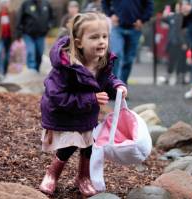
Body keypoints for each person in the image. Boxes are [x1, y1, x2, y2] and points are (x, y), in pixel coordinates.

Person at [39, 12, 127, 196]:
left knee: (89, 144)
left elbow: (108, 78)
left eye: (104, 36)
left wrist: (117, 85)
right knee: (71, 142)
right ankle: (53, 173)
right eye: (94, 37)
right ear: (79, 42)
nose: (102, 41)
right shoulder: (66, 67)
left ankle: (83, 176)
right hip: (62, 111)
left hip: (86, 112)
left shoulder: (101, 61)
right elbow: (57, 96)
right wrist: (92, 99)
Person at [102, 0, 154, 85]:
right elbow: (104, 2)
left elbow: (149, 5)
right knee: (116, 54)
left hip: (135, 28)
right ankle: (114, 86)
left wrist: (142, 19)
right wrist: (111, 14)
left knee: (129, 60)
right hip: (118, 27)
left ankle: (121, 87)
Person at [15, 0, 53, 72]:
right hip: (28, 34)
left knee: (39, 52)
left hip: (41, 34)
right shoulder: (26, 4)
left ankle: (36, 68)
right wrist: (18, 32)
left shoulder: (46, 4)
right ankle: (31, 69)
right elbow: (19, 18)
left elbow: (51, 17)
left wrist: (49, 26)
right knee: (31, 51)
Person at [161, 3, 188, 85]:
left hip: (180, 43)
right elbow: (164, 19)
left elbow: (180, 31)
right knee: (171, 61)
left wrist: (183, 42)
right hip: (172, 43)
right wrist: (165, 14)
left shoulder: (183, 17)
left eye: (179, 7)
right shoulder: (173, 16)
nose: (177, 9)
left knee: (181, 61)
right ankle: (168, 78)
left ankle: (180, 79)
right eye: (177, 7)